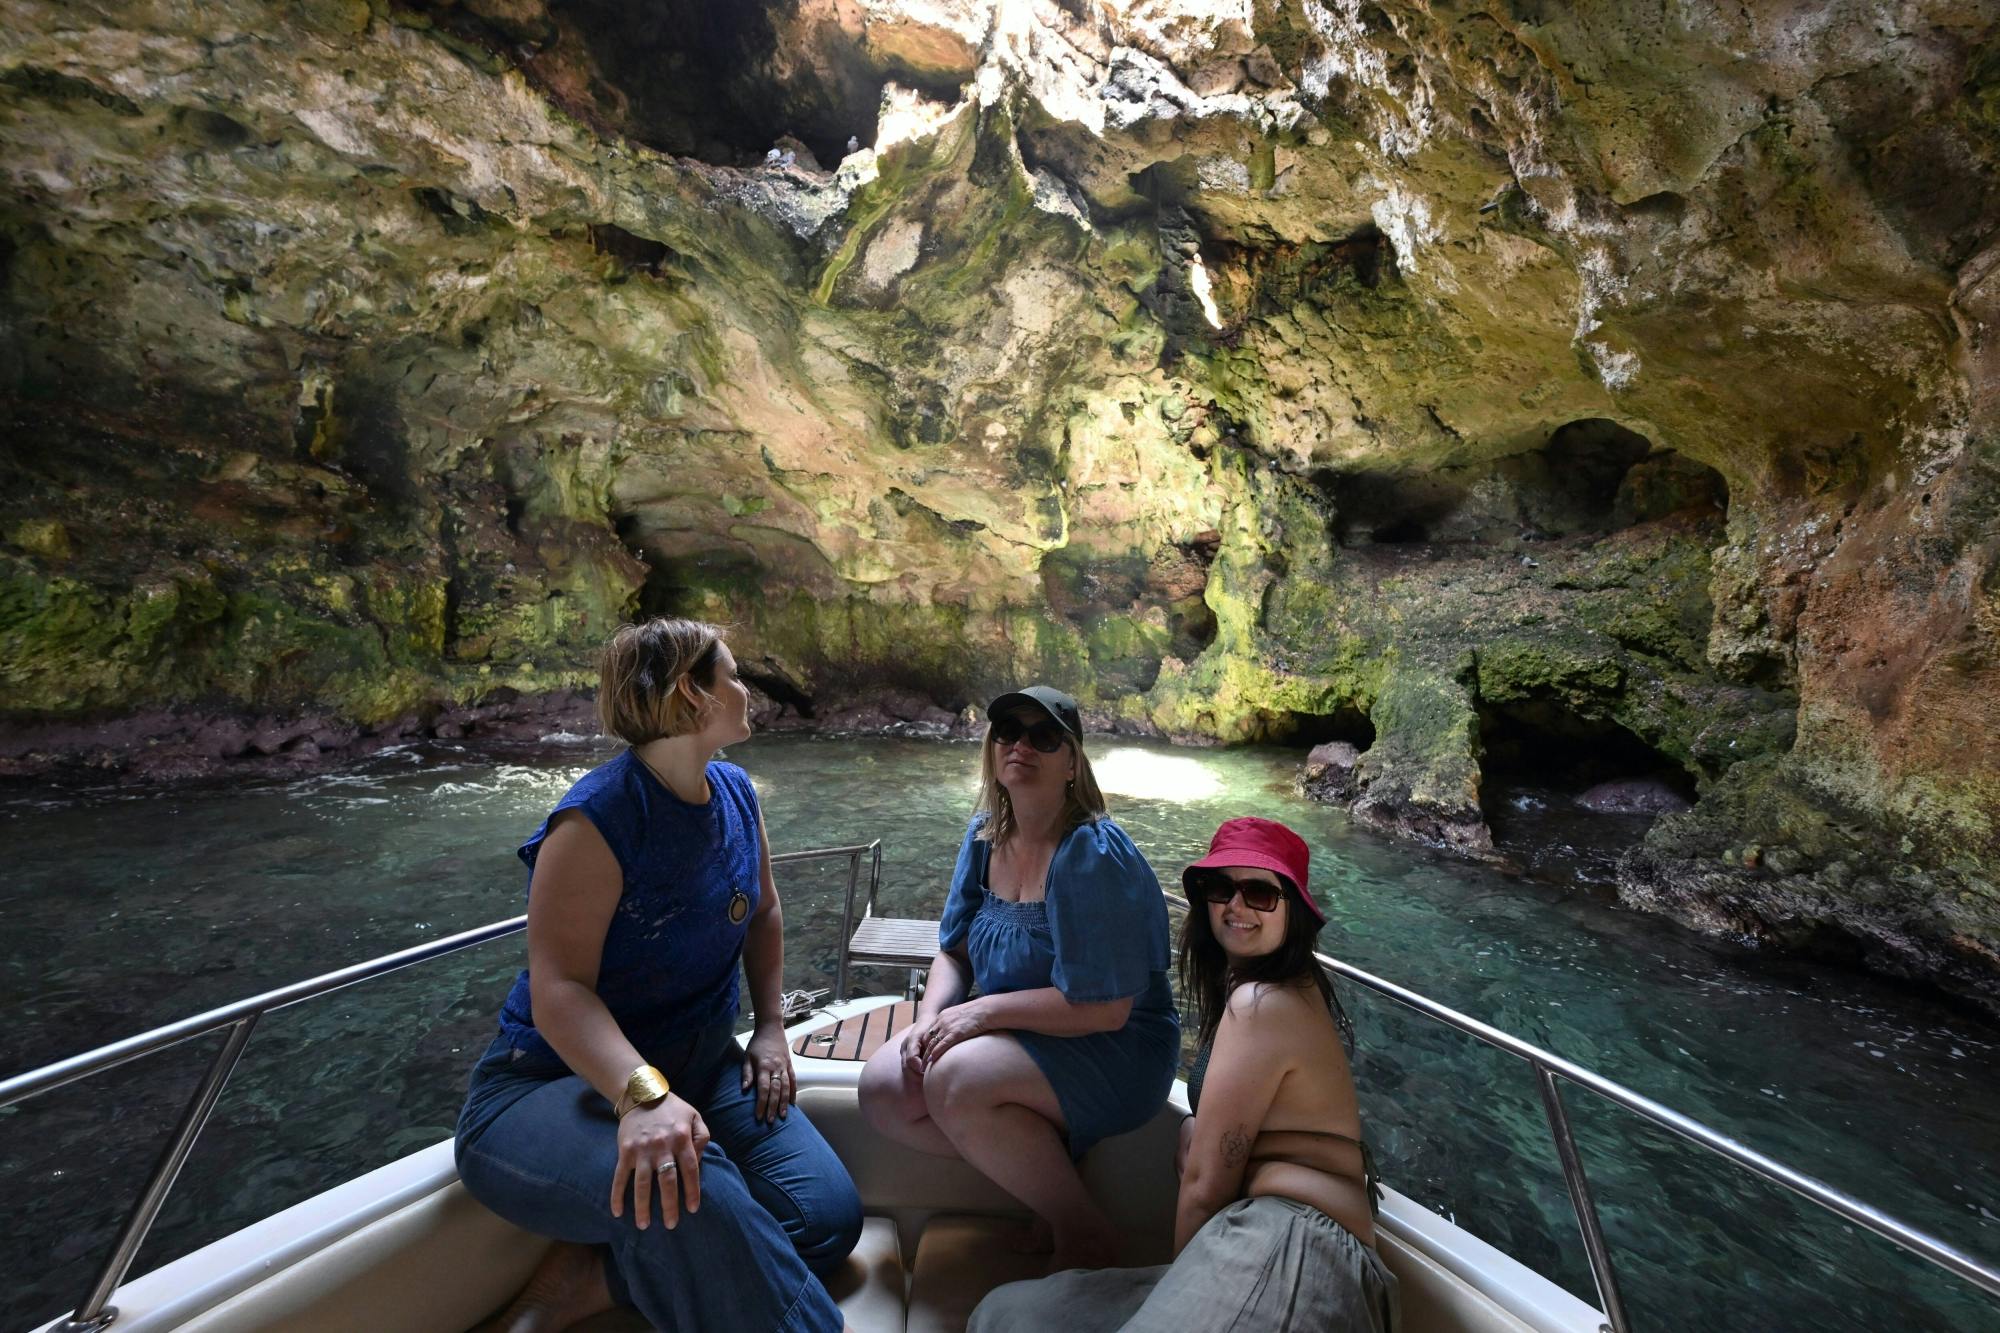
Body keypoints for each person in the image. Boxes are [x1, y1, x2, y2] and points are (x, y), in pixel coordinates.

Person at [453, 618, 862, 1333]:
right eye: (732, 674)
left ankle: (596, 1276)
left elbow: (762, 910)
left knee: (825, 1218)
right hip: (553, 1084)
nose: (746, 688)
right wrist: (641, 1097)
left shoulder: (735, 792)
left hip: (699, 1066)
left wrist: (769, 1028)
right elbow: (559, 992)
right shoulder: (596, 820)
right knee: (692, 1182)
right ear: (691, 695)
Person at [969, 816, 1399, 1333]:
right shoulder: (1255, 992)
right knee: (1005, 1317)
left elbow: (1204, 1183)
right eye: (1221, 889)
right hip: (1250, 1237)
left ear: (1295, 911)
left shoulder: (1264, 1002)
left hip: (1302, 1247)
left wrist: (1179, 1287)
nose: (1235, 907)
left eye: (1260, 893)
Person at [857, 685, 1178, 1272]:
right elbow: (953, 954)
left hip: (1116, 1047)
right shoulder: (984, 837)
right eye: (1008, 730)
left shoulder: (1091, 855)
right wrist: (927, 1023)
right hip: (1026, 1038)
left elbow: (1106, 1010)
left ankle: (1082, 1229)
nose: (1021, 745)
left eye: (1044, 736)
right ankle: (1049, 1168)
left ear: (1072, 762)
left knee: (953, 1079)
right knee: (884, 1088)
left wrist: (980, 1014)